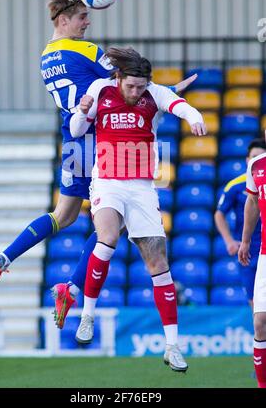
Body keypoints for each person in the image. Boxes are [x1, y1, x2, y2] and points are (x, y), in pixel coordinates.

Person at [0, 0, 197, 329]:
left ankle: (0, 261)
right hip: (103, 139)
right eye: (82, 16)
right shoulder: (85, 50)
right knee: (115, 219)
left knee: (62, 215)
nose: (88, 21)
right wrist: (168, 93)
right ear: (63, 19)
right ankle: (72, 288)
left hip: (72, 138)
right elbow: (129, 82)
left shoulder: (46, 57)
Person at [62, 46, 207, 372]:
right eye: (131, 86)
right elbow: (75, 131)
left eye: (140, 87)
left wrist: (195, 117)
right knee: (107, 238)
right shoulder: (100, 90)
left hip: (142, 187)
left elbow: (180, 106)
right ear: (119, 77)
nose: (135, 92)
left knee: (158, 262)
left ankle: (172, 345)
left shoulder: (153, 94)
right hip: (108, 181)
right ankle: (87, 316)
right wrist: (83, 112)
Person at [215, 139, 266, 308]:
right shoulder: (235, 186)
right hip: (249, 251)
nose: (257, 160)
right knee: (254, 302)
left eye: (261, 157)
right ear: (247, 160)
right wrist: (229, 241)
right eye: (254, 156)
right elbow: (219, 214)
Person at [238, 143, 266, 388]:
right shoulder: (256, 165)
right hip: (265, 253)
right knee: (260, 320)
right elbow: (252, 202)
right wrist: (245, 240)